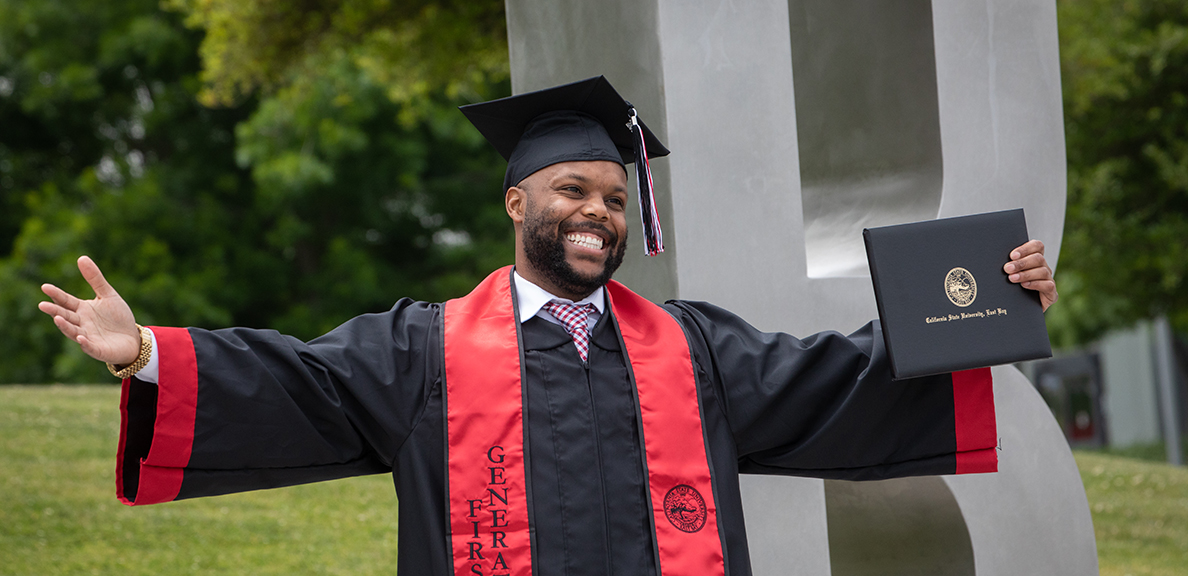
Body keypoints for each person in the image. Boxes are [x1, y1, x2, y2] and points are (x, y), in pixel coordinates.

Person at [38, 76, 1058, 576]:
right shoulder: (423, 350)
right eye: (573, 189)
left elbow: (837, 379)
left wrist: (985, 299)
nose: (599, 215)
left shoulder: (691, 349)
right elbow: (297, 380)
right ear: (517, 204)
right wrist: (147, 353)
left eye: (616, 200)